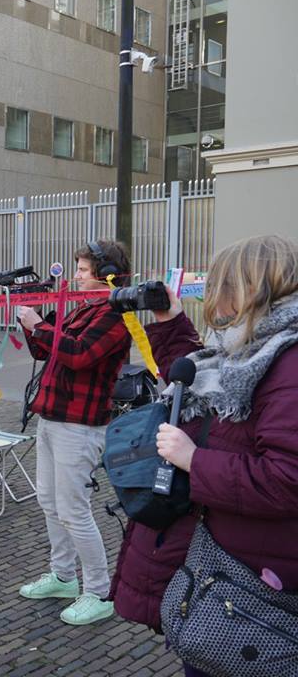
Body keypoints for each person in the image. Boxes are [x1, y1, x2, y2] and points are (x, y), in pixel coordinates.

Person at [114, 235, 298, 676]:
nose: (213, 297)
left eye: (221, 285)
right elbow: (198, 377)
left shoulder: (287, 360)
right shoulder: (249, 345)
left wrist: (194, 460)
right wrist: (169, 319)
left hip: (250, 587)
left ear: (249, 288)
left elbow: (286, 479)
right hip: (225, 576)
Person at [15, 240, 132, 626]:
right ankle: (64, 576)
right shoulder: (83, 307)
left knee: (74, 510)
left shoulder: (116, 315)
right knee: (49, 502)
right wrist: (32, 326)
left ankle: (98, 591)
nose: (77, 275)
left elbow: (79, 354)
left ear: (105, 274)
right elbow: (46, 352)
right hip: (53, 415)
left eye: (82, 270)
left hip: (80, 425)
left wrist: (40, 326)